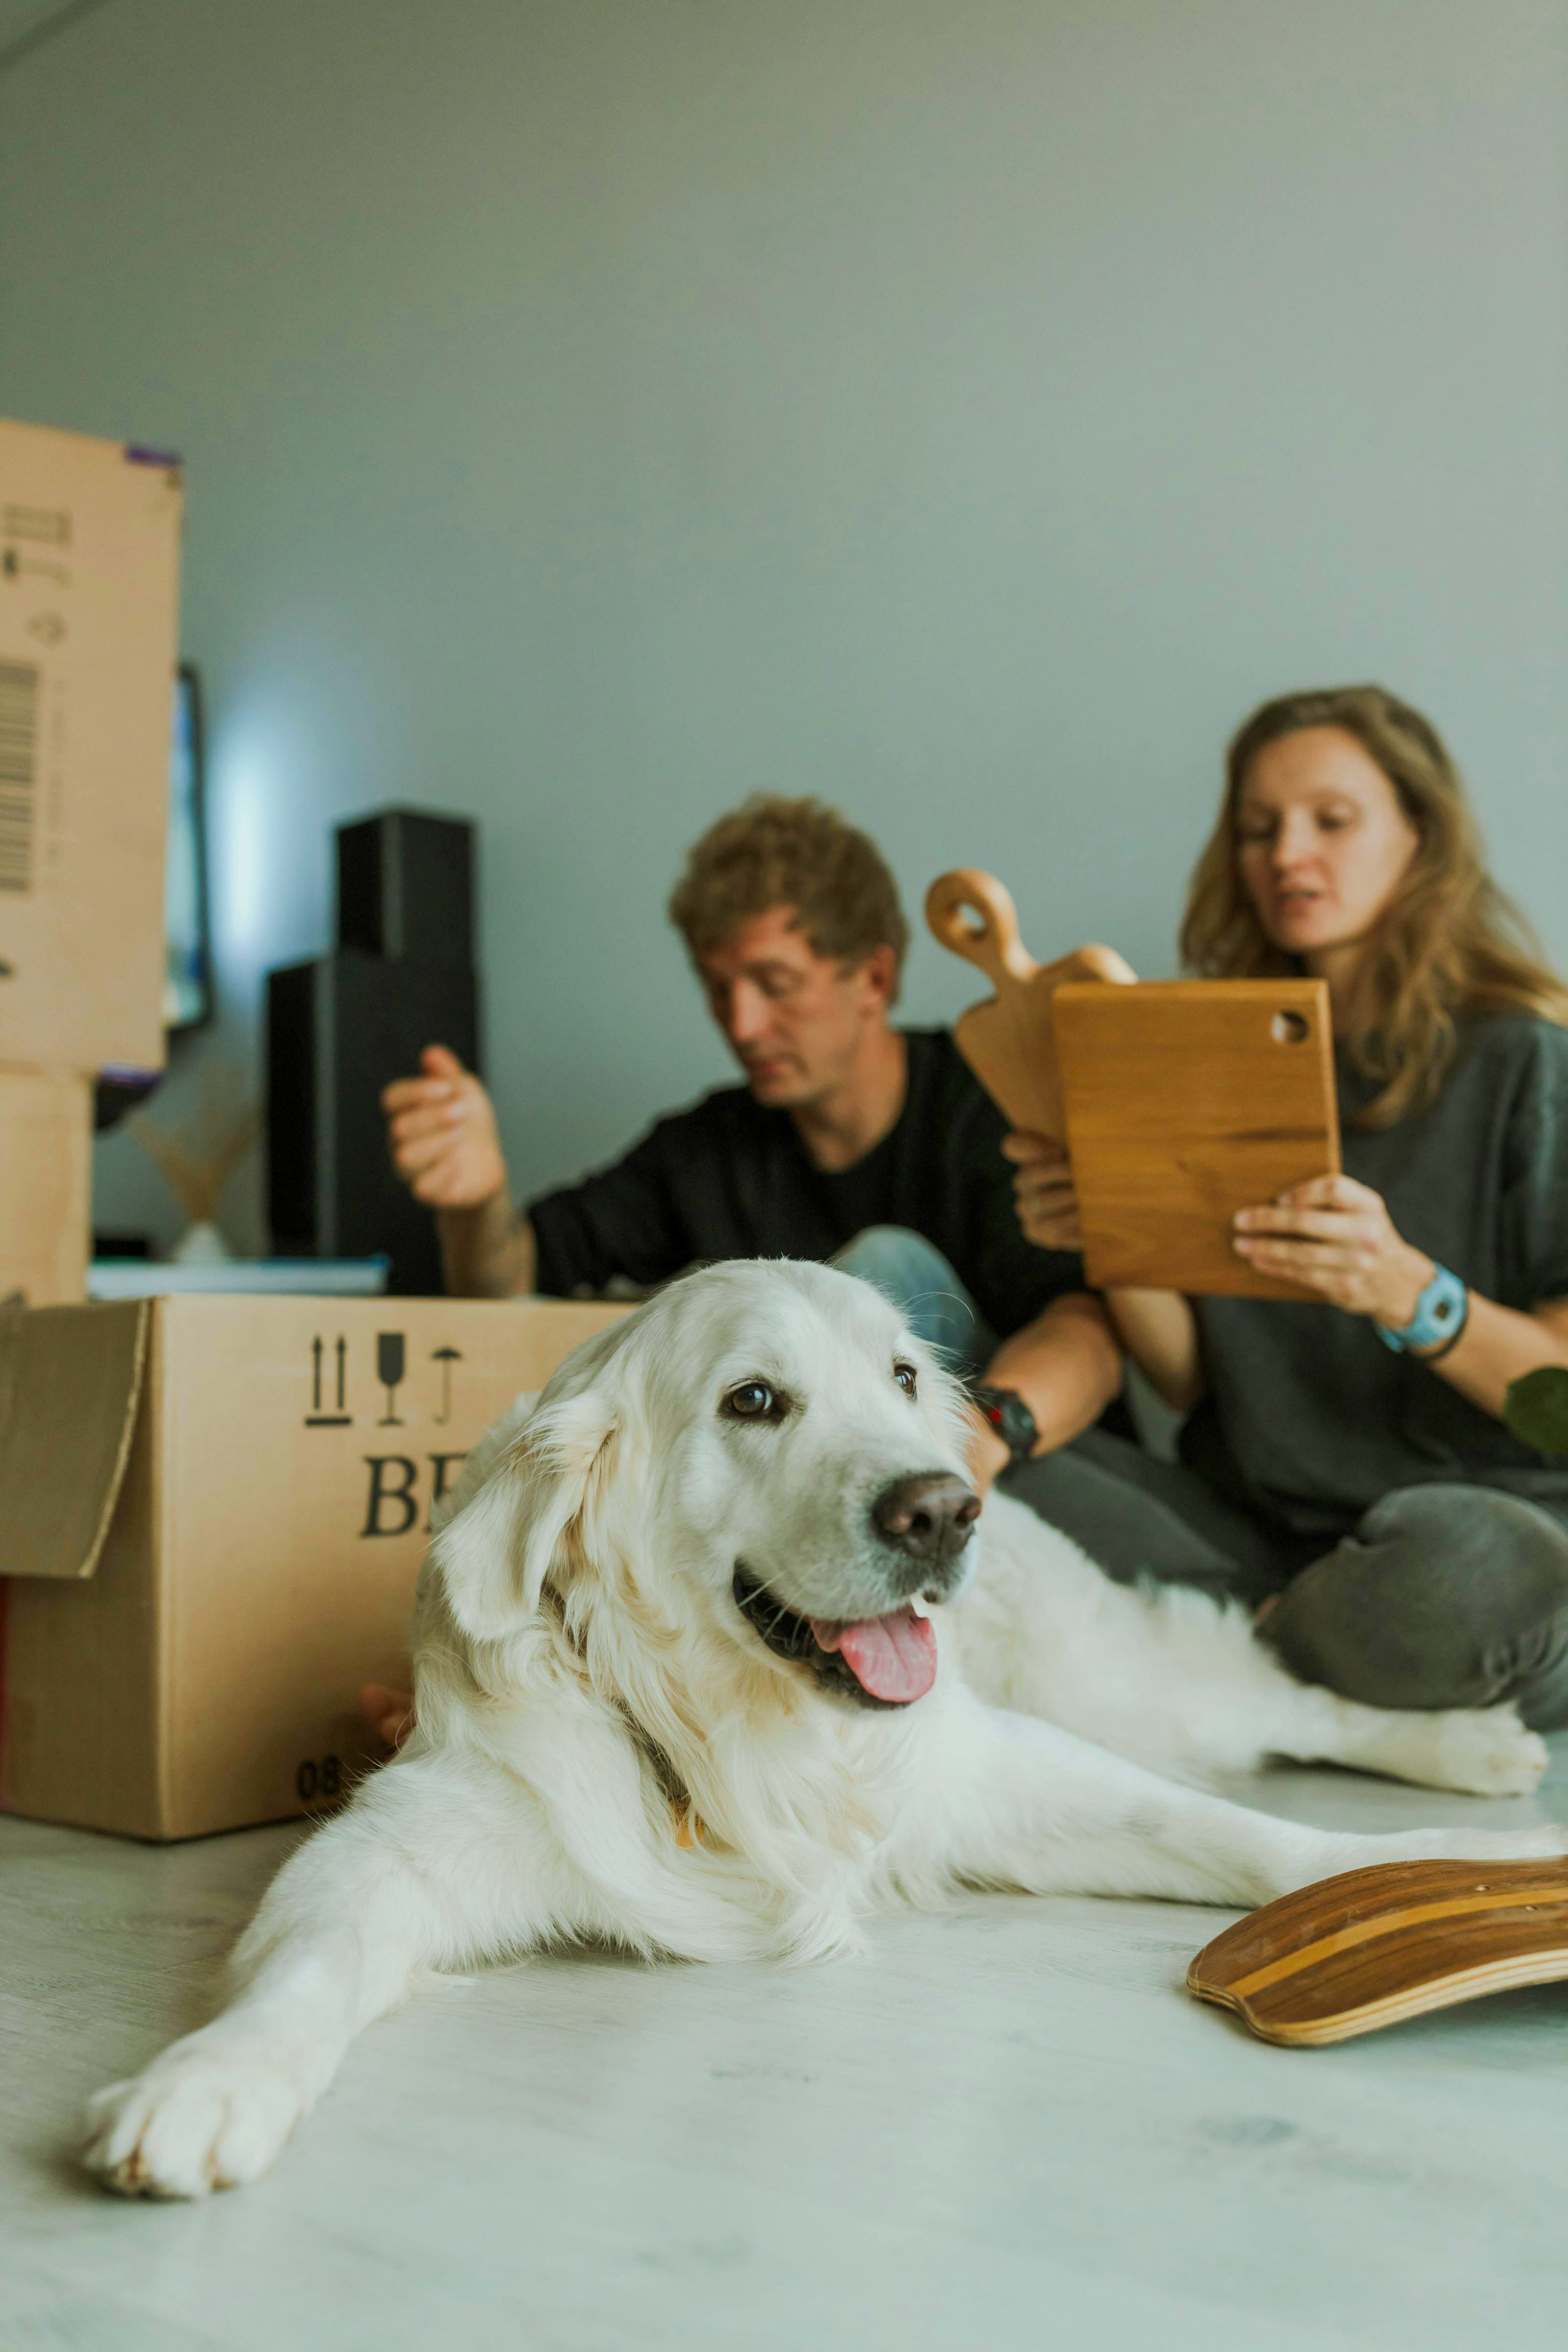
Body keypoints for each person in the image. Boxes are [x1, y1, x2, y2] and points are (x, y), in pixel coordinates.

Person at [363, 797, 1125, 1739]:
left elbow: (1092, 1332)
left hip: (1040, 1479)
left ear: (873, 976)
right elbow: (514, 1278)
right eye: (719, 990)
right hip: (858, 1528)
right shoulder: (709, 1147)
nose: (743, 1021)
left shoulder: (982, 1110)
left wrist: (970, 1442)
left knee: (883, 1272)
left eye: (775, 983)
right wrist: (476, 1202)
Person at [1005, 685, 1568, 1725]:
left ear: (1421, 835)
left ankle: (1237, 1658)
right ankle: (1284, 1661)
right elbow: (1188, 1380)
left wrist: (1409, 1293)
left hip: (1476, 1536)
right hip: (1251, 1530)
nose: (1285, 855)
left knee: (1484, 1573)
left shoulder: (1525, 1061)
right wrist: (1115, 1231)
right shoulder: (1203, 1050)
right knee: (951, 1450)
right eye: (1258, 829)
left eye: (1331, 820)